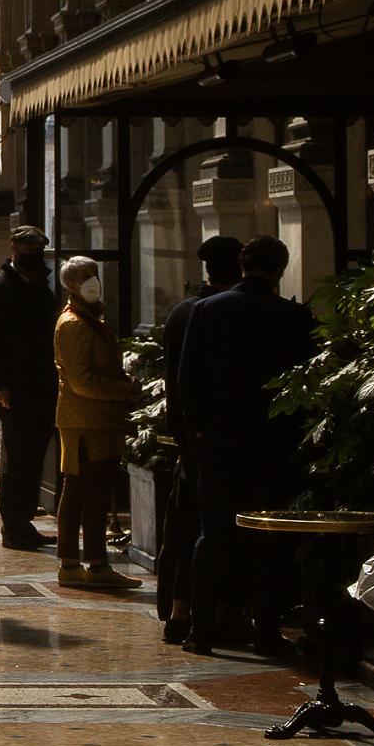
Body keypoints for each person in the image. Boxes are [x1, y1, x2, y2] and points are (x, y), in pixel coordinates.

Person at [179, 234, 318, 655]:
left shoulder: (207, 310)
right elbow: (308, 385)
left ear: (242, 266)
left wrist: (201, 430)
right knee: (270, 539)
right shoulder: (294, 318)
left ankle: (200, 628)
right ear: (280, 270)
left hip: (221, 442)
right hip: (273, 446)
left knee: (214, 535)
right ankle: (266, 631)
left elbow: (187, 380)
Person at [156, 236, 244, 640]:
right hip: (214, 439)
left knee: (184, 524)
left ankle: (178, 612)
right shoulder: (219, 314)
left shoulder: (181, 312)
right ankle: (210, 614)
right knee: (212, 528)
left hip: (187, 437)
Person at [51, 256, 144, 590]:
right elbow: (82, 382)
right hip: (85, 421)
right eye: (84, 277)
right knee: (80, 490)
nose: (92, 282)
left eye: (93, 275)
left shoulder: (88, 319)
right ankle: (74, 563)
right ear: (71, 285)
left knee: (98, 492)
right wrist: (124, 390)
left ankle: (94, 562)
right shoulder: (74, 323)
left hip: (99, 420)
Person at [0, 225, 61, 550]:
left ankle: (24, 520)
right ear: (13, 248)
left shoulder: (42, 289)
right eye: (28, 249)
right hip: (14, 387)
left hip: (42, 384)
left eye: (38, 250)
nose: (33, 257)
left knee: (35, 457)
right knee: (16, 458)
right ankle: (13, 526)